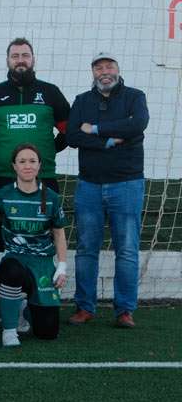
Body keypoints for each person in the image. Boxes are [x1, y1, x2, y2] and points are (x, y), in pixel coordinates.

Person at [0, 38, 70, 319]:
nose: (21, 60)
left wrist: (45, 153)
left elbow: (69, 132)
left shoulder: (51, 93)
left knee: (42, 238)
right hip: (3, 181)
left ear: (33, 60)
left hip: (44, 180)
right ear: (7, 60)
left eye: (25, 55)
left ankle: (38, 300)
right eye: (15, 55)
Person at [66, 53, 149, 328]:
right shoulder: (81, 101)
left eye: (109, 66)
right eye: (99, 67)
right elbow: (73, 136)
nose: (105, 71)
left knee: (126, 249)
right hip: (89, 185)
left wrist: (97, 129)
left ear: (117, 69)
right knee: (87, 248)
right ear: (93, 72)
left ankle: (125, 310)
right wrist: (109, 142)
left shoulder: (135, 97)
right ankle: (84, 307)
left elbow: (137, 126)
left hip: (127, 184)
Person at [0, 144, 68, 347]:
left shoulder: (51, 198)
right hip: (14, 259)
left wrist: (61, 267)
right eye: (22, 161)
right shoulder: (1, 195)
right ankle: (9, 330)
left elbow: (59, 233)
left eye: (32, 161)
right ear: (14, 166)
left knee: (47, 333)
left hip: (42, 262)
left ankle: (23, 308)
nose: (27, 166)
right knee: (12, 271)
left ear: (39, 165)